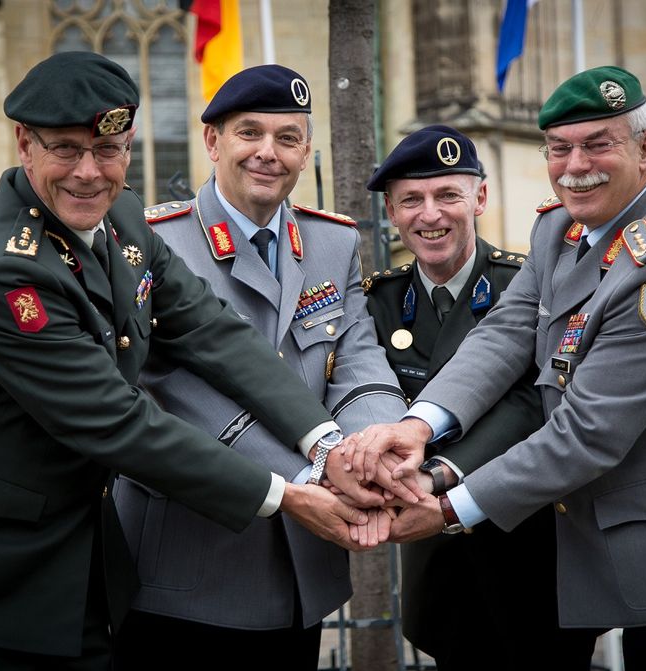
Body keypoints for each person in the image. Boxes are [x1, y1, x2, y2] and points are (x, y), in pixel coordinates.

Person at [0, 51, 371, 671]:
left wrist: (324, 444)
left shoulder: (122, 217)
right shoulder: (5, 274)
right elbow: (119, 422)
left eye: (110, 150)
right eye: (66, 150)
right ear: (24, 142)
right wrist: (289, 496)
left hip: (70, 559)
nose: (91, 173)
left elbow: (211, 330)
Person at [349, 66, 646, 670]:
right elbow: (506, 333)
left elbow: (586, 434)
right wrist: (419, 426)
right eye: (559, 148)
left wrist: (447, 505)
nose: (574, 164)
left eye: (597, 144)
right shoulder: (562, 228)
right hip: (644, 560)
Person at [111, 64, 409, 671]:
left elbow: (354, 358)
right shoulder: (151, 242)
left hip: (300, 573)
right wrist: (314, 473)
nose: (268, 153)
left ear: (306, 154)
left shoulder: (333, 243)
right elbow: (168, 385)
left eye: (288, 137)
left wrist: (377, 447)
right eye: (250, 133)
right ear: (213, 141)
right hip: (185, 568)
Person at [362, 124, 597, 669]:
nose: (431, 215)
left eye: (448, 195)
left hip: (531, 549)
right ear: (393, 214)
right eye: (411, 201)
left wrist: (440, 472)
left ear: (480, 199)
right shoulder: (380, 300)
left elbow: (533, 402)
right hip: (437, 562)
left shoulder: (528, 286)